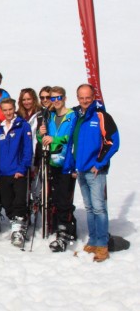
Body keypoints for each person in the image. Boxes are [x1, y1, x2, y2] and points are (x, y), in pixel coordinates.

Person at [64, 84, 119, 262]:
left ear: (93, 96)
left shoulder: (101, 116)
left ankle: (102, 244)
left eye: (88, 97)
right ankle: (93, 240)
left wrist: (100, 162)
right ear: (77, 98)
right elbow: (73, 142)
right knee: (89, 208)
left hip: (95, 171)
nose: (85, 100)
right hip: (81, 170)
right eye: (81, 97)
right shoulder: (77, 116)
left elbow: (113, 142)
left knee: (99, 208)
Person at [37, 86, 77, 251]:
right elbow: (43, 141)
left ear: (64, 98)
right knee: (55, 198)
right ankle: (64, 228)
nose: (55, 101)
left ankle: (64, 233)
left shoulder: (72, 116)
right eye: (52, 98)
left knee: (64, 200)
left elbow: (72, 138)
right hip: (52, 163)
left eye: (58, 97)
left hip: (67, 164)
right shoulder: (50, 117)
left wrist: (54, 139)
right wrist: (41, 134)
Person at [0, 98, 33, 247]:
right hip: (3, 172)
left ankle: (18, 229)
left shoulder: (23, 126)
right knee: (6, 201)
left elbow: (27, 149)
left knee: (19, 201)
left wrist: (22, 168)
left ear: (14, 108)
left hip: (17, 171)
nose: (8, 113)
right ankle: (16, 223)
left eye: (10, 109)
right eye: (5, 110)